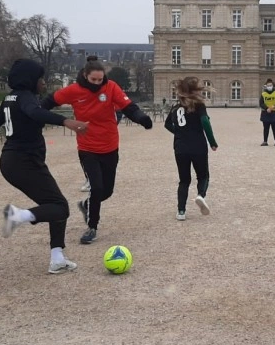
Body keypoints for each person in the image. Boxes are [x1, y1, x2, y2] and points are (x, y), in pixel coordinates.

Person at [0, 59, 88, 274]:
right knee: (60, 206)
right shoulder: (26, 98)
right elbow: (35, 113)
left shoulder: (10, 97)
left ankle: (57, 257)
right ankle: (18, 216)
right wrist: (66, 122)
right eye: (40, 79)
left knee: (55, 203)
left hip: (14, 161)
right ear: (30, 80)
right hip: (23, 162)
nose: (43, 83)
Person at [42, 56, 153, 244]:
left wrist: (142, 118)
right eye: (93, 79)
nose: (96, 83)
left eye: (100, 80)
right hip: (87, 148)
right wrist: (38, 116)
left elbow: (128, 107)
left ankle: (87, 205)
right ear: (85, 75)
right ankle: (92, 227)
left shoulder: (111, 88)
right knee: (97, 187)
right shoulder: (74, 90)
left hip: (110, 145)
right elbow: (48, 102)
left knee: (107, 191)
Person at [164, 77, 218, 220]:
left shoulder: (175, 107)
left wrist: (180, 133)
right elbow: (205, 122)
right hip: (198, 146)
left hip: (180, 147)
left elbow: (167, 125)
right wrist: (212, 142)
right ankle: (200, 195)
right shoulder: (198, 105)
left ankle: (181, 211)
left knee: (184, 180)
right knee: (203, 175)